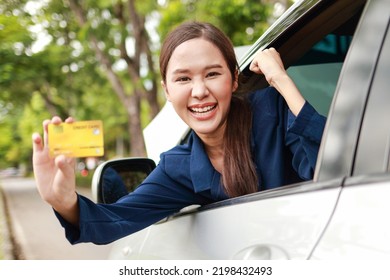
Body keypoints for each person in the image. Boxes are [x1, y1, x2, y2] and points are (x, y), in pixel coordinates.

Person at [32, 21, 326, 245]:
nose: (199, 92)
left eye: (212, 74)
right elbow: (116, 220)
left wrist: (281, 81)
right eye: (183, 78)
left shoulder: (272, 110)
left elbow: (325, 165)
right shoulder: (179, 167)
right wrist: (61, 199)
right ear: (167, 91)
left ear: (234, 79)